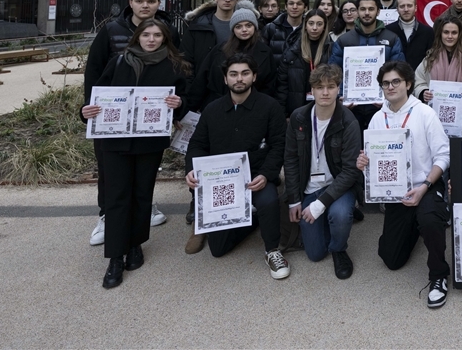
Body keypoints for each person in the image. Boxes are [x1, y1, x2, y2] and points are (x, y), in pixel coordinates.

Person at [80, 19, 189, 288]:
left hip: (149, 142)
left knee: (142, 194)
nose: (151, 39)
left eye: (157, 35)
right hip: (114, 141)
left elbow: (183, 104)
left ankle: (136, 244)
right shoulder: (119, 62)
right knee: (117, 196)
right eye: (146, 35)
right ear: (137, 37)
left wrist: (179, 104)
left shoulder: (175, 66)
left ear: (165, 39)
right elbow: (97, 95)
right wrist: (86, 112)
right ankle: (115, 256)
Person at [184, 55, 290, 279]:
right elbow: (197, 145)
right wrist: (191, 170)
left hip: (256, 178)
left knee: (269, 200)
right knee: (218, 249)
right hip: (221, 182)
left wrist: (266, 174)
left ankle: (271, 249)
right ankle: (251, 220)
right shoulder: (212, 110)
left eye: (245, 73)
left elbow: (279, 145)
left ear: (254, 76)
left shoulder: (270, 107)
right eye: (233, 74)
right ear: (225, 79)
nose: (239, 79)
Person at [356, 61, 451, 309]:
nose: (391, 86)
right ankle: (416, 227)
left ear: (408, 83)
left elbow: (443, 155)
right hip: (396, 192)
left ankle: (439, 276)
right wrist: (364, 163)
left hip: (426, 185)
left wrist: (425, 186)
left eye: (396, 81)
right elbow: (374, 162)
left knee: (430, 220)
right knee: (391, 259)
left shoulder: (425, 113)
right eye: (386, 83)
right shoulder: (377, 119)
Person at [84, 0, 173, 246]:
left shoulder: (168, 31)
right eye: (141, 1)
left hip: (150, 119)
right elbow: (94, 72)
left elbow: (176, 69)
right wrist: (91, 109)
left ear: (158, 3)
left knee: (145, 171)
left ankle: (142, 213)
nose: (146, 5)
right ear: (131, 2)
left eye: (151, 1)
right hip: (113, 117)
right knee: (110, 170)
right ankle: (107, 215)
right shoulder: (112, 30)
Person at [284, 65, 362, 279]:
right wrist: (293, 200)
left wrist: (320, 205)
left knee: (339, 214)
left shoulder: (348, 122)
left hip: (338, 185)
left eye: (331, 87)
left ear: (339, 89)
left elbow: (350, 171)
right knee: (315, 254)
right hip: (309, 187)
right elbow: (290, 159)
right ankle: (331, 218)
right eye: (319, 87)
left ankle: (339, 248)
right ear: (311, 91)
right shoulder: (298, 118)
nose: (325, 92)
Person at [328, 0, 406, 133]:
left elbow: (400, 72)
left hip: (382, 107)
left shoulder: (392, 39)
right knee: (353, 150)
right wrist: (341, 97)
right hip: (351, 108)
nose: (367, 13)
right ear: (357, 11)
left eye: (371, 9)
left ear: (378, 11)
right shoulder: (344, 40)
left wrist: (387, 98)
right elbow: (333, 72)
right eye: (363, 9)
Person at [186, 0, 273, 112]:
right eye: (238, 26)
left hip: (254, 109)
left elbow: (270, 85)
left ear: (255, 27)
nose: (244, 30)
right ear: (233, 29)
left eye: (248, 25)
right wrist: (188, 109)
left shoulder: (265, 51)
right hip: (218, 108)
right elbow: (201, 81)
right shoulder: (219, 50)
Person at [414, 16, 462, 136]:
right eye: (446, 32)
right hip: (436, 114)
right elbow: (419, 79)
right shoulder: (431, 57)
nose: (450, 36)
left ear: (459, 34)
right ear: (440, 34)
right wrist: (423, 92)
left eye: (454, 33)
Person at [181, 0, 242, 85]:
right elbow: (186, 60)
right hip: (204, 84)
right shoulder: (198, 25)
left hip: (237, 82)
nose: (227, 0)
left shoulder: (245, 26)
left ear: (237, 0)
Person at [276, 9, 331, 118]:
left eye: (319, 24)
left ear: (324, 27)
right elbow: (282, 85)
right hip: (296, 109)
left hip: (323, 108)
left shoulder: (331, 49)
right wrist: (283, 114)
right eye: (311, 23)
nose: (315, 28)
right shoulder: (292, 50)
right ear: (305, 25)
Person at [262, 0, 308, 75]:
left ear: (305, 7)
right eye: (291, 3)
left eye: (299, 4)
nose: (294, 7)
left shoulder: (309, 29)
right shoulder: (271, 28)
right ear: (286, 7)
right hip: (276, 79)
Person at [387, 0, 435, 71]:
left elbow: (432, 60)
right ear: (397, 9)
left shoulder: (428, 32)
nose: (406, 9)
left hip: (420, 78)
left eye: (409, 6)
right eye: (402, 6)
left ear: (415, 8)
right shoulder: (388, 31)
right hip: (395, 77)